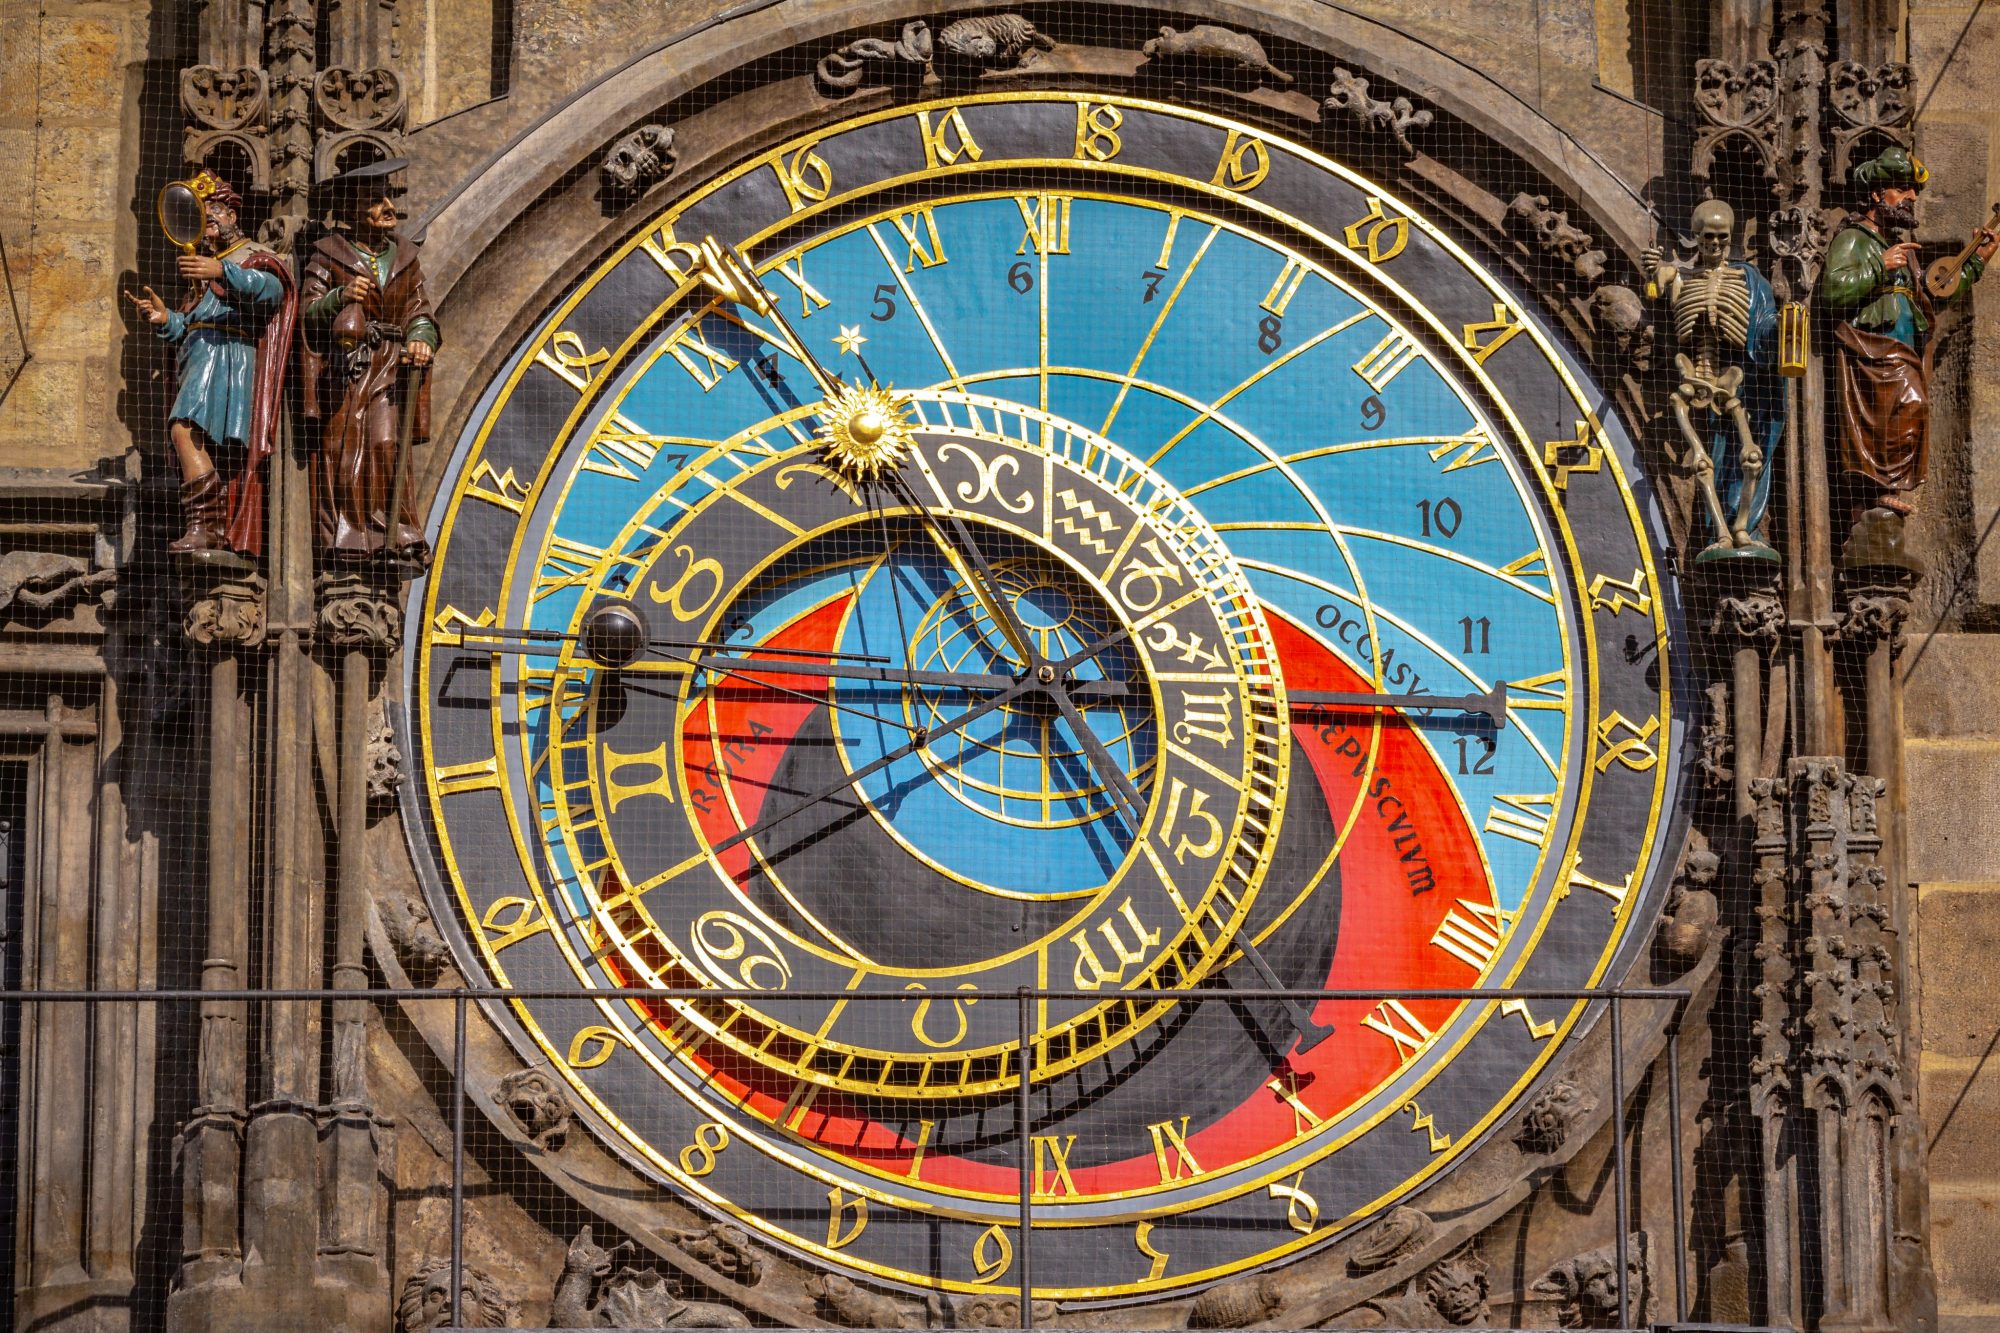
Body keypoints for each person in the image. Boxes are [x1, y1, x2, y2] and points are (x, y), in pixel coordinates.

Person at [1821, 146, 1997, 521]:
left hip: (1902, 349)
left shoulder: (1902, 249)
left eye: (1911, 191)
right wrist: (1878, 266)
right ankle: (1873, 492)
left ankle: (1884, 489)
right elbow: (1832, 292)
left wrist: (1977, 260)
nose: (1911, 198)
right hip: (1870, 350)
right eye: (1902, 189)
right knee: (1903, 408)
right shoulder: (1855, 239)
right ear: (1876, 194)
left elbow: (1933, 293)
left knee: (1910, 411)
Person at [126, 170, 295, 560]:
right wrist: (166, 319)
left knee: (183, 430)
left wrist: (221, 271)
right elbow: (195, 319)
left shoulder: (252, 256)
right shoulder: (202, 264)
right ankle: (210, 526)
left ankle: (207, 523)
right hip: (200, 354)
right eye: (203, 213)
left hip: (229, 356)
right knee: (196, 439)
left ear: (234, 216)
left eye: (216, 209)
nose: (210, 218)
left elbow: (271, 291)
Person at [300, 156, 440, 563]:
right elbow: (308, 312)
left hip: (390, 368)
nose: (387, 207)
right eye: (374, 200)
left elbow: (421, 312)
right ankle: (351, 532)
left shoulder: (404, 259)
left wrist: (420, 338)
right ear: (350, 210)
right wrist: (339, 297)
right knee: (344, 447)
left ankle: (394, 528)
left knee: (385, 441)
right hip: (346, 365)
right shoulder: (328, 255)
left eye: (388, 198)